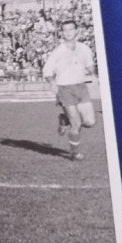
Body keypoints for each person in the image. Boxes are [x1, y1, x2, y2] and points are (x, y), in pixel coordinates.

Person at [42, 19, 97, 160]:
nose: (68, 32)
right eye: (65, 30)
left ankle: (64, 119)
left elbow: (89, 64)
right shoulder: (58, 51)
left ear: (76, 31)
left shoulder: (84, 48)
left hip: (81, 87)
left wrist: (93, 74)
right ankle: (75, 153)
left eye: (71, 29)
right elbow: (47, 70)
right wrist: (52, 83)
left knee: (90, 122)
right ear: (61, 33)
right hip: (65, 89)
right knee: (76, 123)